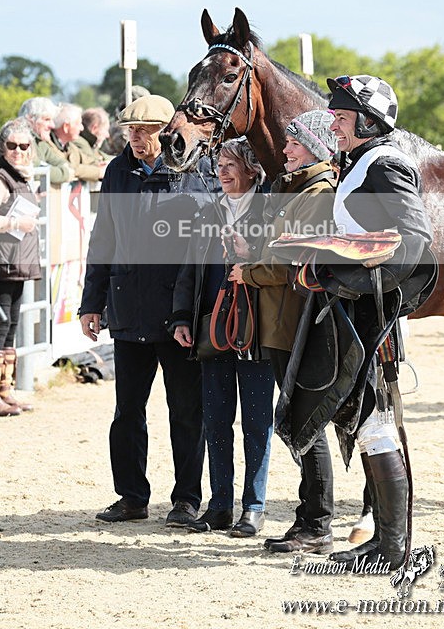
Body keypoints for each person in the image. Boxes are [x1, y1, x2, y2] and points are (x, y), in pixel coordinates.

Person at [78, 94, 217, 526]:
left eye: (145, 131)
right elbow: (103, 238)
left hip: (180, 315)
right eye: (130, 131)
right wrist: (91, 303)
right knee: (127, 412)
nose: (136, 138)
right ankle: (132, 497)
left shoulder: (195, 169)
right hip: (128, 307)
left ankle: (187, 499)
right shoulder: (117, 171)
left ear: (167, 131)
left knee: (186, 412)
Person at [321, 74, 434, 571]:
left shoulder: (384, 164)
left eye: (342, 118)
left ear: (369, 122)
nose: (334, 125)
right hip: (361, 309)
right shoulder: (362, 162)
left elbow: (413, 243)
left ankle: (394, 547)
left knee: (377, 423)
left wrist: (354, 280)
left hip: (374, 313)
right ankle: (387, 541)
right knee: (370, 423)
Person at [229, 111, 338, 554]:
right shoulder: (295, 189)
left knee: (302, 423)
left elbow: (292, 261)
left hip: (294, 323)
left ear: (314, 146)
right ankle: (311, 521)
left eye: (294, 143)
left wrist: (247, 272)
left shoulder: (318, 194)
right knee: (295, 423)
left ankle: (317, 524)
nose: (286, 150)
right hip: (280, 322)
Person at [169, 139, 275, 537]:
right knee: (215, 420)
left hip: (258, 330)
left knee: (256, 421)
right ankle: (219, 506)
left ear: (252, 168)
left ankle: (254, 506)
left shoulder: (270, 210)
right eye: (220, 164)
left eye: (232, 164)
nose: (224, 171)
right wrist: (181, 316)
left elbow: (283, 266)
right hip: (213, 327)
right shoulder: (207, 211)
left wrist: (254, 253)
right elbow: (189, 267)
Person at [0, 118, 40, 417]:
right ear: (2, 147)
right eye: (12, 145)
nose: (18, 151)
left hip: (11, 264)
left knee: (9, 329)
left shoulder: (16, 175)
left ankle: (4, 391)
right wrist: (15, 223)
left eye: (24, 145)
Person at [18, 97, 74, 184]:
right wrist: (65, 174)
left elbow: (63, 163)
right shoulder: (20, 141)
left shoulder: (41, 143)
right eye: (47, 119)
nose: (52, 125)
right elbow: (36, 171)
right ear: (30, 119)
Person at [50, 104, 108, 183]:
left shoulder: (70, 146)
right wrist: (99, 172)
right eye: (78, 124)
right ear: (66, 127)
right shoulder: (49, 146)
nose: (82, 128)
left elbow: (87, 160)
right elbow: (69, 167)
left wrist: (99, 165)